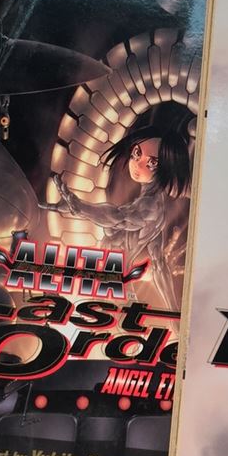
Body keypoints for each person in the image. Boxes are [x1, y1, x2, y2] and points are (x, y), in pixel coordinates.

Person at [50, 102, 193, 309]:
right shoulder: (155, 208)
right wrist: (174, 313)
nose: (138, 164)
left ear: (166, 167)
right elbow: (159, 266)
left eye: (152, 162)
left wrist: (80, 207)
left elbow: (118, 217)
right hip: (107, 285)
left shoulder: (150, 207)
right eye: (137, 153)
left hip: (111, 289)